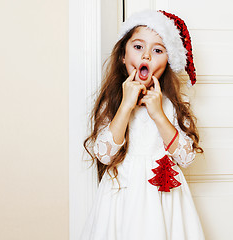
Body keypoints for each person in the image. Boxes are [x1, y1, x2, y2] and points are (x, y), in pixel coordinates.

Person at [81, 10, 205, 240]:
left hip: (163, 199)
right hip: (122, 196)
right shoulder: (112, 102)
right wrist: (126, 106)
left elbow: (187, 158)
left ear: (168, 61)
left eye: (157, 50)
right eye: (138, 47)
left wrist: (158, 114)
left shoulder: (174, 104)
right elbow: (104, 154)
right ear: (123, 55)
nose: (146, 56)